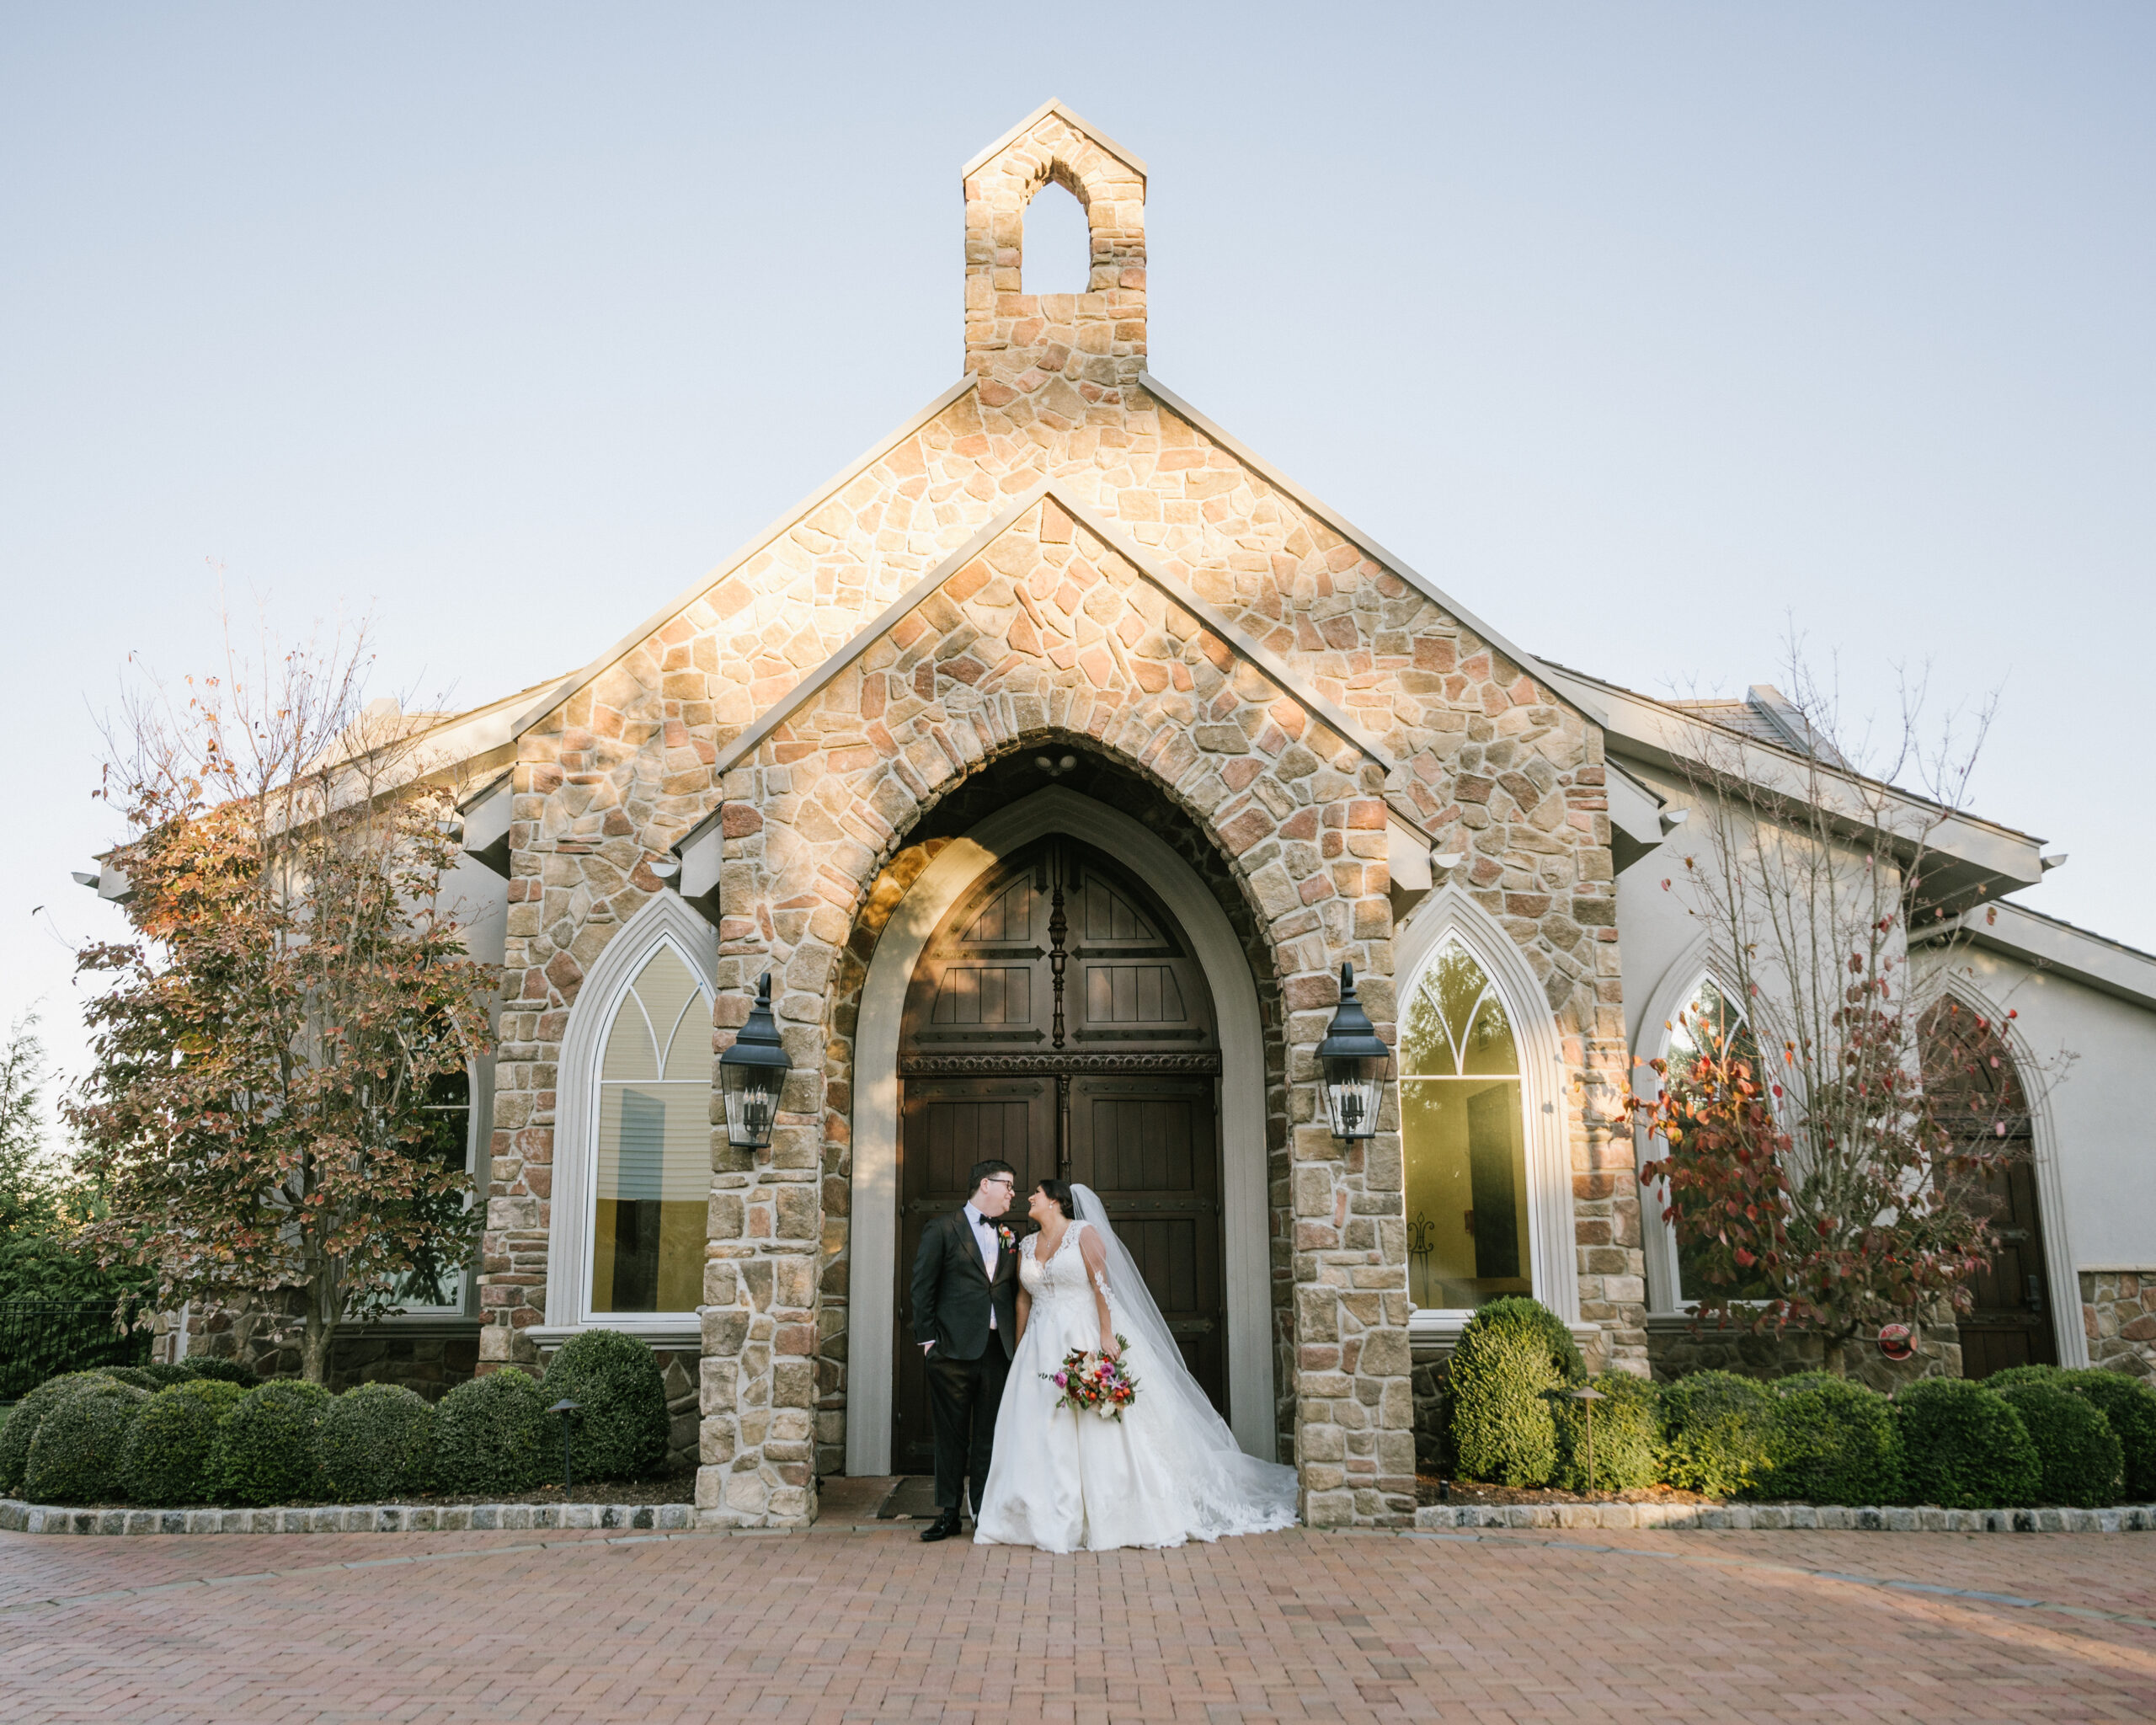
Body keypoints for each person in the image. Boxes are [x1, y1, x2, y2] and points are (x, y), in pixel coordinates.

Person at [973, 1178, 1299, 1552]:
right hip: (1037, 1347)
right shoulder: (1027, 1244)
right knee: (1037, 1426)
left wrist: (1106, 1335)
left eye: (1038, 1194)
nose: (1030, 1198)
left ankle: (1111, 1512)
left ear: (1057, 1202)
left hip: (1081, 1336)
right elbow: (1022, 1300)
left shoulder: (1084, 1233)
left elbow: (1101, 1286)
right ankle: (1035, 1512)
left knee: (1094, 1423)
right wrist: (1018, 1349)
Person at [908, 1157, 1021, 1542]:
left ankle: (984, 1511)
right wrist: (928, 1345)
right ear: (985, 1185)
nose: (1012, 1193)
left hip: (997, 1351)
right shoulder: (942, 1228)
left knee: (989, 1435)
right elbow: (923, 1288)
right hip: (951, 1353)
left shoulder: (1011, 1235)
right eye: (1007, 1185)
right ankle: (948, 1513)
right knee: (951, 1436)